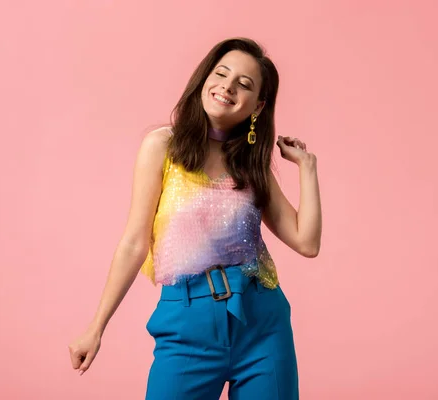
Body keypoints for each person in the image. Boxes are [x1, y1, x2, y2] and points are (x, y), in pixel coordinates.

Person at [68, 37, 322, 399]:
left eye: (244, 84)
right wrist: (96, 327)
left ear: (258, 106)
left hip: (263, 323)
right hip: (186, 322)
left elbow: (306, 242)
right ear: (204, 79)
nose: (228, 87)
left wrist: (308, 169)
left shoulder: (252, 167)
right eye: (221, 74)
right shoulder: (162, 147)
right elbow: (134, 242)